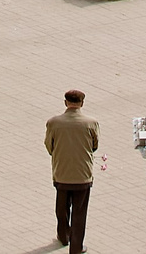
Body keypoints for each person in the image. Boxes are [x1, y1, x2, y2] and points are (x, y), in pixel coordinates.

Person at [46, 88, 98, 254]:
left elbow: (49, 146)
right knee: (79, 212)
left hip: (61, 172)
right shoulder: (91, 122)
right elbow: (94, 145)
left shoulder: (54, 122)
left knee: (61, 207)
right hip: (82, 175)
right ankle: (76, 248)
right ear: (82, 103)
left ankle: (63, 235)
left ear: (65, 102)